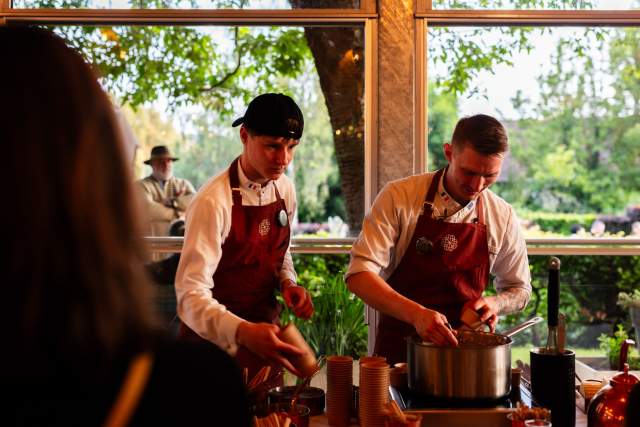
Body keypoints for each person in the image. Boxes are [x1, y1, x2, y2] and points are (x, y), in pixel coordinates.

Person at [1, 26, 249, 426]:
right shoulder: (192, 389)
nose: (165, 167)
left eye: (168, 163)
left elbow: (179, 210)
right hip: (156, 274)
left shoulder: (181, 188)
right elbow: (162, 215)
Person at [345, 114, 532, 364]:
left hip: (466, 361)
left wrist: (496, 303)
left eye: (489, 176)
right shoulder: (399, 196)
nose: (477, 185)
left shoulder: (503, 215)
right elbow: (359, 276)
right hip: (399, 356)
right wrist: (417, 315)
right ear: (448, 153)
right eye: (469, 172)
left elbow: (520, 290)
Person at [175, 93, 315, 380]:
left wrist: (288, 281)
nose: (284, 159)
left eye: (291, 147)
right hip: (210, 351)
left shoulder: (284, 189)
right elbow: (189, 297)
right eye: (272, 146)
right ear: (244, 136)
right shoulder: (213, 201)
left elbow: (280, 249)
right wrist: (242, 331)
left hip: (266, 341)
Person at [136, 145, 196, 240]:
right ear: (152, 164)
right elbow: (148, 210)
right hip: (153, 246)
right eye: (161, 161)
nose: (166, 164)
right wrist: (178, 214)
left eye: (169, 161)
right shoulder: (141, 186)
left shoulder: (183, 184)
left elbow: (195, 203)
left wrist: (173, 202)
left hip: (179, 248)